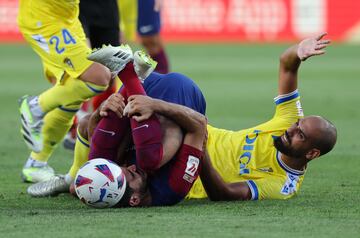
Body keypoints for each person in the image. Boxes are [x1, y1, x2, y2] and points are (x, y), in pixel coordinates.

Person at [28, 48, 207, 207]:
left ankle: (132, 77)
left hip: (141, 98)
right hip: (178, 90)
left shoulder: (107, 185)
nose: (132, 168)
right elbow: (199, 126)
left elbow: (89, 127)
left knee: (100, 160)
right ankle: (129, 74)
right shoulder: (173, 187)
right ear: (134, 199)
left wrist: (102, 110)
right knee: (149, 161)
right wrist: (156, 105)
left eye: (125, 169)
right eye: (131, 176)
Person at [187, 32, 337, 201]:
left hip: (188, 168)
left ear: (312, 153)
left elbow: (224, 193)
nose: (290, 129)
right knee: (183, 87)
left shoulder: (282, 185)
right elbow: (287, 66)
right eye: (297, 124)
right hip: (196, 131)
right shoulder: (290, 119)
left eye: (300, 135)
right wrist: (298, 51)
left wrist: (198, 149)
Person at [17, 0, 117, 183]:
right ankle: (35, 106)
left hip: (68, 17)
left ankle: (36, 163)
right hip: (44, 19)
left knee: (74, 94)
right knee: (99, 77)